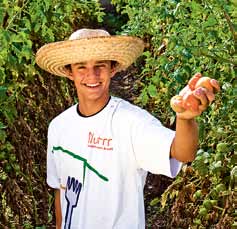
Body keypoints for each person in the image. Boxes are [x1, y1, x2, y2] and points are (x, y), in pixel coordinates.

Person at [36, 28, 220, 229]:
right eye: (81, 67)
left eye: (100, 65)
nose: (92, 74)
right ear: (69, 72)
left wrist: (184, 118)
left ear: (113, 68)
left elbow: (183, 152)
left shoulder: (132, 123)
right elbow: (60, 190)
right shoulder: (58, 126)